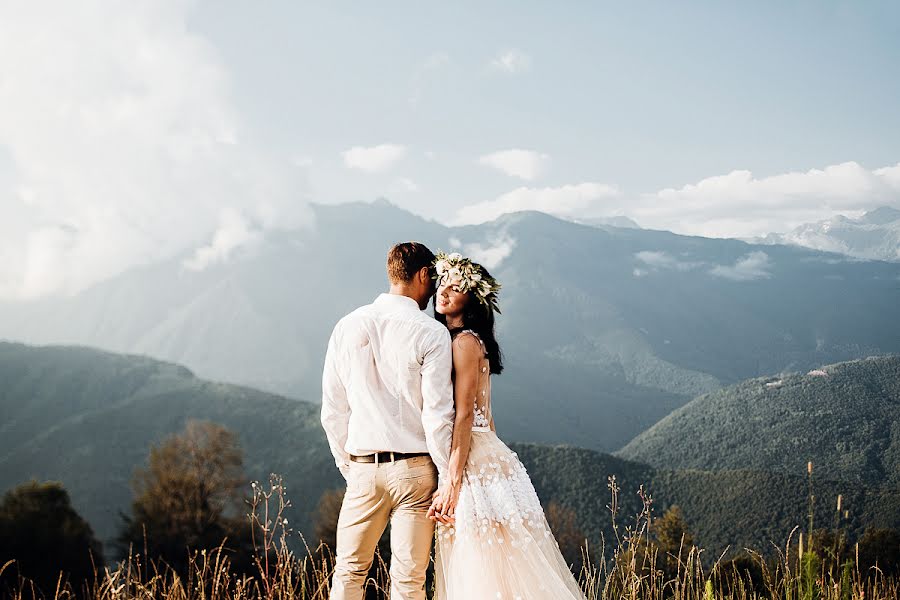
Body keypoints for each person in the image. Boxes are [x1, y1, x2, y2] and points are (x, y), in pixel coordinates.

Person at [428, 251, 586, 600]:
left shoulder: (464, 342)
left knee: (483, 558)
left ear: (472, 301)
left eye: (456, 288)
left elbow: (466, 413)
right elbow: (488, 414)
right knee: (495, 557)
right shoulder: (465, 340)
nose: (444, 291)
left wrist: (452, 480)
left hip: (470, 457)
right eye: (443, 283)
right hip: (485, 453)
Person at [321, 242, 456, 600]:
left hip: (363, 467)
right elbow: (438, 415)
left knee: (349, 574)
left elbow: (333, 409)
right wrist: (446, 477)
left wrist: (350, 466)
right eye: (434, 279)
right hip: (415, 472)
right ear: (424, 275)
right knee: (409, 580)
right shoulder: (430, 333)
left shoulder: (347, 325)